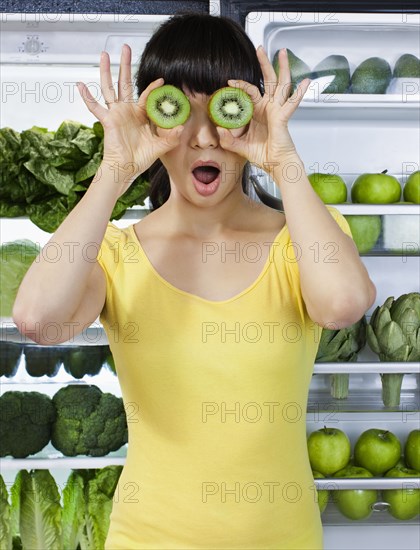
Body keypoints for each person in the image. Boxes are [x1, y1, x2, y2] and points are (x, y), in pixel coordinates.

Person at [13, 13, 376, 550]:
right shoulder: (117, 252)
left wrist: (284, 162)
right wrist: (113, 173)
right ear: (151, 120)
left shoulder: (301, 239)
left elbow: (343, 305)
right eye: (180, 109)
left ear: (252, 115)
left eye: (225, 110)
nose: (204, 137)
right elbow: (38, 321)